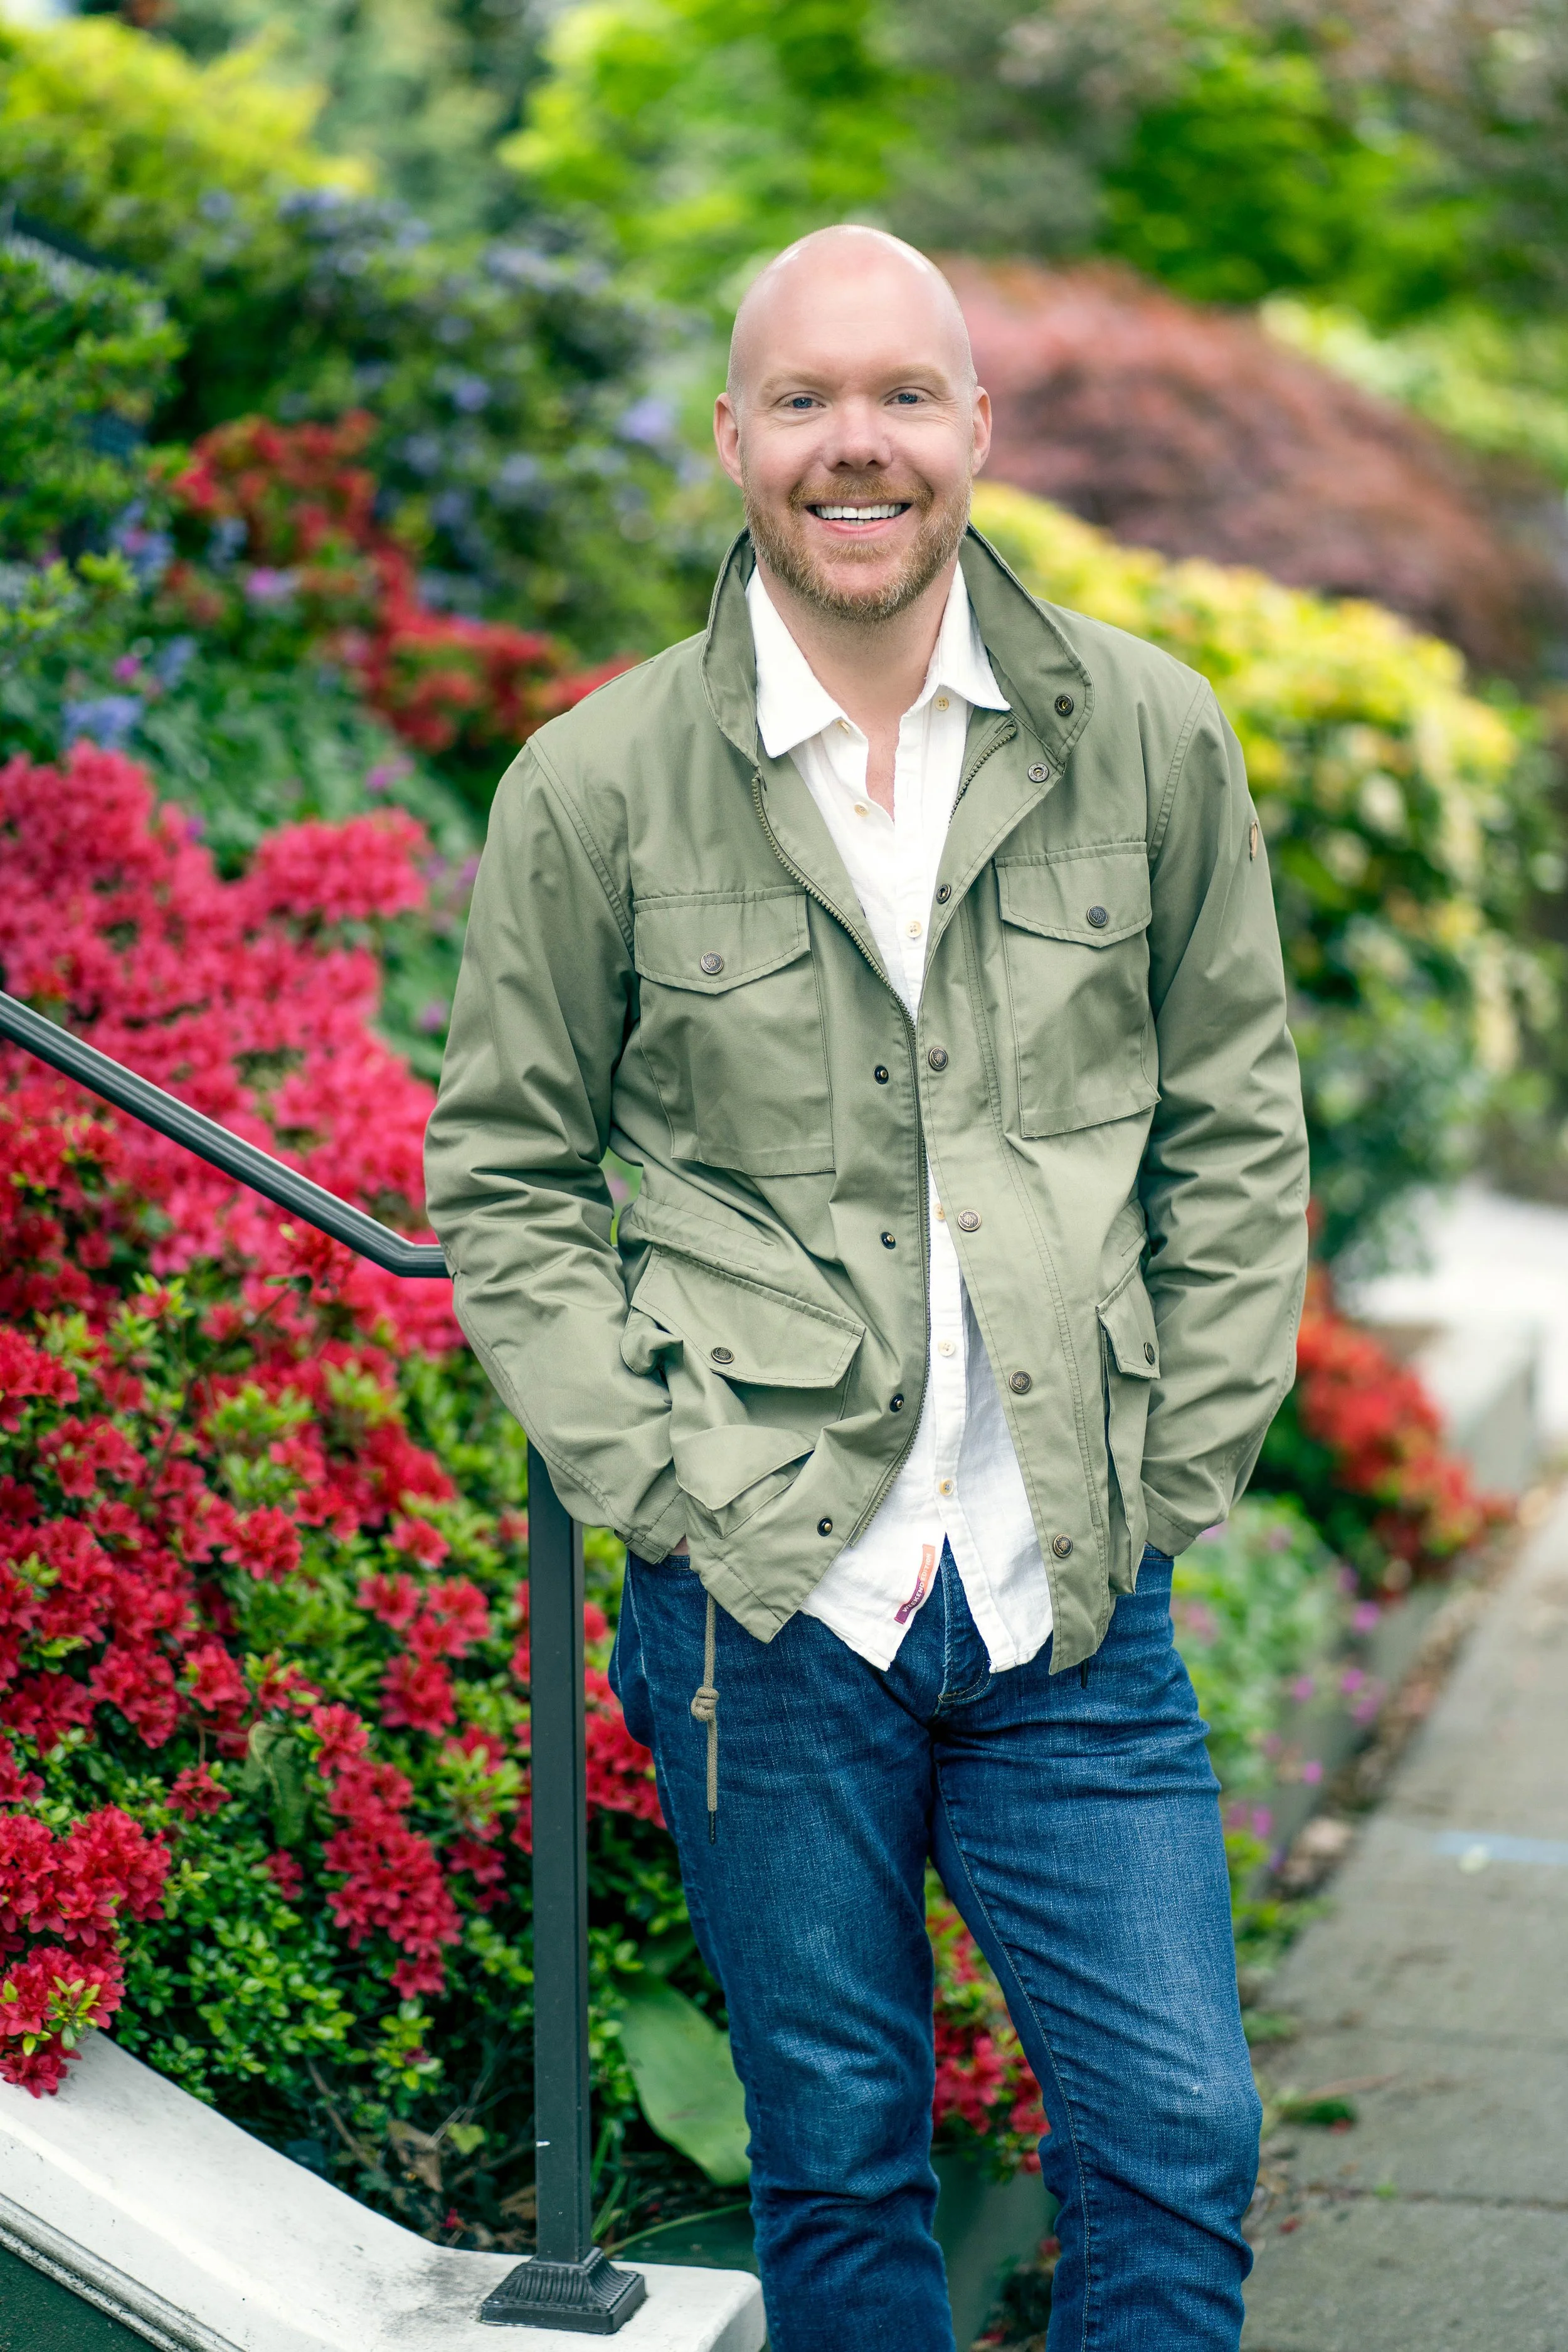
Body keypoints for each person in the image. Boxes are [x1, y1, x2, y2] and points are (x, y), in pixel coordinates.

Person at [425, 225, 1308, 2352]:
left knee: (1175, 2131)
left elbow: (1239, 1118)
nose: (856, 443)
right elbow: (508, 1169)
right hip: (762, 1616)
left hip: (1064, 1598)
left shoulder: (1146, 737)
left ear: (975, 432)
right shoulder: (597, 782)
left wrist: (1172, 1465)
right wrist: (662, 1476)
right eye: (804, 397)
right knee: (835, 2152)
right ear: (731, 435)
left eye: (903, 394)